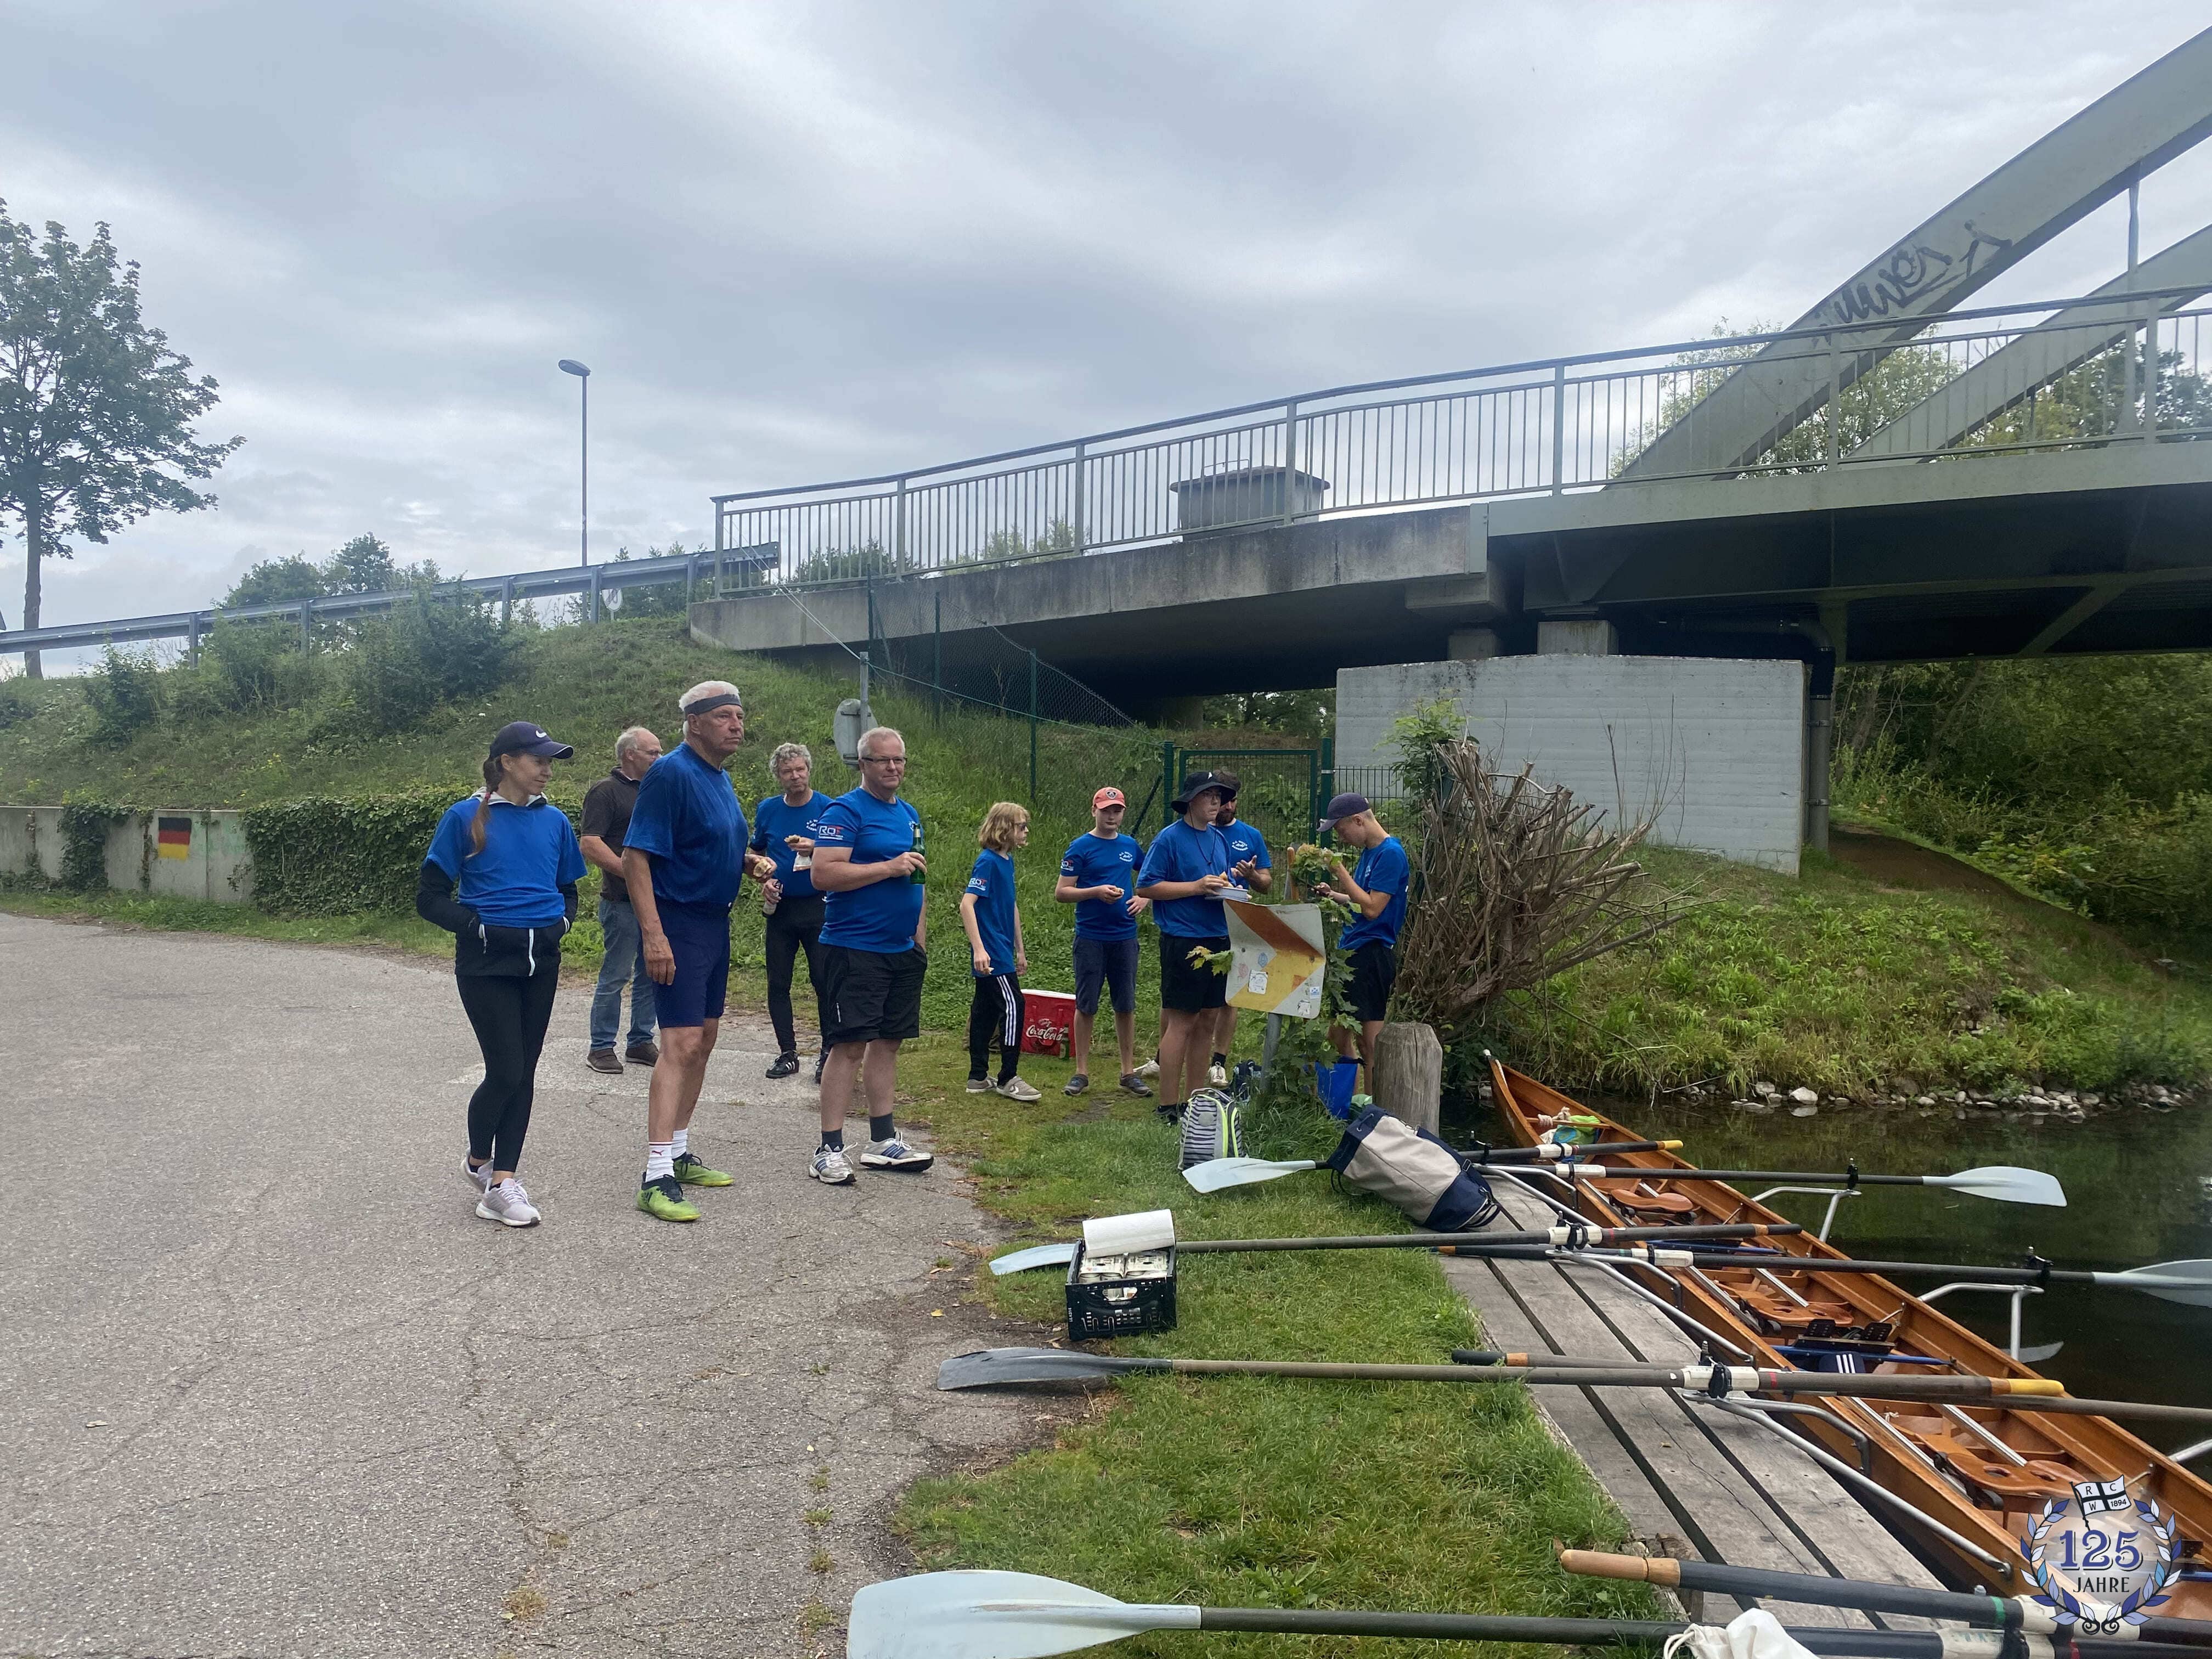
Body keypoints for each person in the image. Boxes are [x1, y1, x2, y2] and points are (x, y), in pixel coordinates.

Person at [416, 720, 586, 1228]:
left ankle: (501, 1181)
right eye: (539, 760)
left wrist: (562, 924)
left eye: (550, 761)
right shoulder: (466, 816)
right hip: (486, 963)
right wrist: (478, 928)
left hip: (542, 960)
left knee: (526, 1072)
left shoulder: (555, 820)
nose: (547, 770)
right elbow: (429, 897)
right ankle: (477, 1160)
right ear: (507, 762)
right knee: (506, 1070)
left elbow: (570, 889)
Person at [619, 681, 777, 1223]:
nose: (737, 725)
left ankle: (680, 1153)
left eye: (740, 716)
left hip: (714, 924)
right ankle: (655, 1175)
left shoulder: (720, 778)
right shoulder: (671, 773)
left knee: (705, 1042)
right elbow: (637, 857)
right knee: (680, 1044)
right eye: (725, 717)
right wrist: (654, 934)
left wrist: (751, 864)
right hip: (679, 922)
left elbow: (717, 844)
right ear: (694, 723)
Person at [809, 726, 935, 1185]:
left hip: (901, 951)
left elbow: (916, 881)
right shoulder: (844, 810)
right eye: (883, 760)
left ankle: (883, 1141)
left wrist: (919, 941)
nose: (894, 768)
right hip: (853, 948)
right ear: (863, 764)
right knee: (848, 1046)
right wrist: (888, 867)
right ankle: (829, 1148)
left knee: (888, 1043)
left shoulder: (909, 814)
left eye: (900, 760)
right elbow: (823, 874)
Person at [1136, 771, 1236, 1121]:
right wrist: (1195, 887)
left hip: (1219, 939)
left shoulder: (1219, 840)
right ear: (1190, 800)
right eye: (1208, 795)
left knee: (1208, 1019)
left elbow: (1222, 881)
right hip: (1184, 940)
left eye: (1218, 796)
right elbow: (1146, 887)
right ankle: (1167, 1104)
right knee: (1182, 1022)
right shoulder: (1169, 839)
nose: (1215, 802)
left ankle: (1196, 1101)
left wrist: (1230, 887)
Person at [1053, 787, 1151, 1098]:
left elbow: (1151, 877)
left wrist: (1143, 899)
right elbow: (1062, 892)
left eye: (1118, 810)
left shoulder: (1129, 845)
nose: (1112, 816)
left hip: (1125, 936)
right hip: (1091, 936)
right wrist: (1095, 892)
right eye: (1106, 810)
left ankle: (1127, 1072)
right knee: (1087, 1004)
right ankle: (1081, 1072)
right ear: (1094, 810)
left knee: (1126, 1004)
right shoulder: (1080, 847)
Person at [579, 725, 664, 1073]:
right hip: (621, 902)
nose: (659, 758)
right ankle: (600, 1047)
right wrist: (631, 874)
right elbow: (590, 842)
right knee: (616, 975)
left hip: (659, 901)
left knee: (651, 973)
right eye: (652, 752)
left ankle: (641, 1042)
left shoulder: (656, 791)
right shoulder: (606, 791)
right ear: (629, 754)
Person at [1316, 792, 1412, 1091]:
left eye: (1342, 830)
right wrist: (1335, 895)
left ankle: (1372, 1109)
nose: (1342, 838)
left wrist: (1340, 872)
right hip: (1354, 950)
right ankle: (1346, 1101)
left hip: (1371, 953)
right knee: (1340, 1034)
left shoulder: (1391, 854)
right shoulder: (1372, 853)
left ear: (1358, 820)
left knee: (1369, 1042)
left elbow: (1372, 909)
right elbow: (1361, 900)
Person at [751, 741, 833, 1082]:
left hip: (819, 907)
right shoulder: (768, 809)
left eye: (800, 769)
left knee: (823, 981)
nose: (796, 776)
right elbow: (754, 853)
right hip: (781, 908)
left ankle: (828, 1053)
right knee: (778, 983)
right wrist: (762, 882)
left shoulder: (829, 807)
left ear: (809, 770)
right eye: (788, 772)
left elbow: (846, 854)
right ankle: (787, 1053)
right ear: (779, 777)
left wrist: (817, 847)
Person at [961, 802, 1041, 1102]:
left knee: (985, 1010)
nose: (1025, 832)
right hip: (991, 952)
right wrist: (980, 949)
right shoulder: (987, 861)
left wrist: (1019, 949)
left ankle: (978, 1076)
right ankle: (1009, 1077)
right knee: (1014, 1005)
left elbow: (1011, 907)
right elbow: (967, 904)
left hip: (1004, 950)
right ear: (1004, 828)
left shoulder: (1006, 861)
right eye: (1021, 826)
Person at [1206, 776, 1273, 1086]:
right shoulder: (1197, 832)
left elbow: (1266, 883)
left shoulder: (1250, 835)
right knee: (1191, 995)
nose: (1230, 807)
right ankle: (1164, 1055)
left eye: (1234, 801)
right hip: (1198, 921)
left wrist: (1251, 876)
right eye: (1224, 801)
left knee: (1228, 995)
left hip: (1236, 922)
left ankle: (1218, 1061)